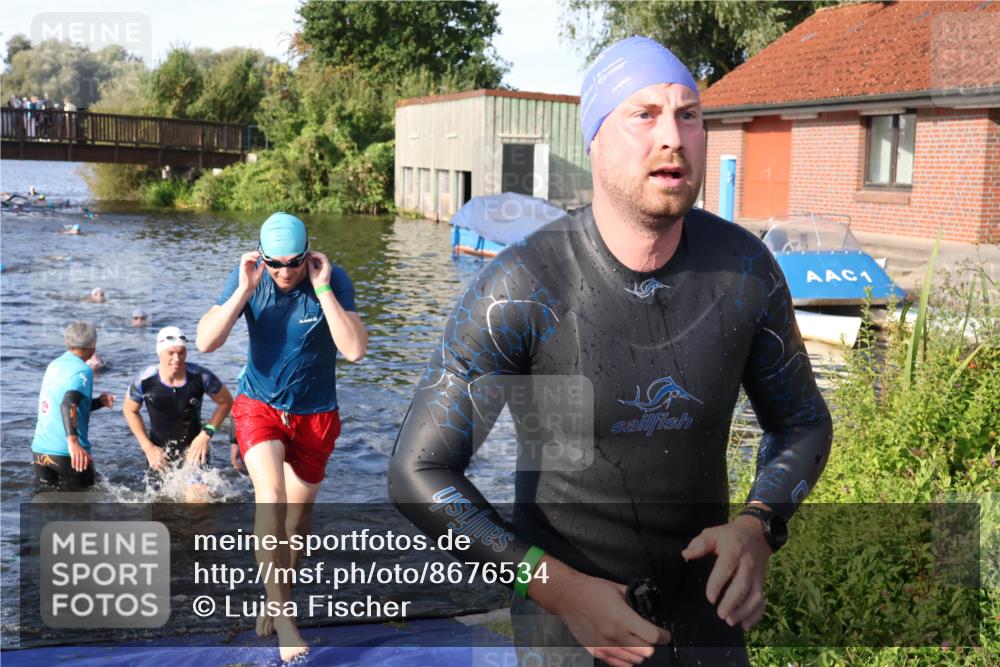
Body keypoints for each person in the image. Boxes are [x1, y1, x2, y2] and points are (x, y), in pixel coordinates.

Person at [388, 36, 833, 667]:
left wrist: (759, 525)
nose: (672, 137)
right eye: (643, 115)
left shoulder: (744, 270)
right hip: (571, 630)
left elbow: (802, 423)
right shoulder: (523, 286)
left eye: (688, 115)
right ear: (594, 142)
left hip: (707, 623)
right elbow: (419, 473)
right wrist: (559, 590)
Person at [196, 211, 367, 661]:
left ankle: (277, 597)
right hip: (259, 406)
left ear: (309, 254)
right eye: (275, 263)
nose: (285, 272)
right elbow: (206, 342)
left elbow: (354, 350)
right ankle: (285, 617)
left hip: (316, 415)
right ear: (261, 256)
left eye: (293, 262)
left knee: (297, 525)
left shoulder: (332, 279)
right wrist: (244, 290)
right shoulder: (250, 278)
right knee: (270, 498)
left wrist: (324, 289)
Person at [123, 327, 233, 501]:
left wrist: (205, 435)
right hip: (159, 453)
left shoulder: (201, 376)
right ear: (159, 352)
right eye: (171, 353)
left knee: (199, 499)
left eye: (181, 352)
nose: (177, 358)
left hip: (194, 450)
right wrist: (148, 447)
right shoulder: (144, 380)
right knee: (161, 503)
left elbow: (226, 402)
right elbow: (130, 410)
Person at [31, 321, 116, 492]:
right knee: (86, 502)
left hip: (40, 452)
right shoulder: (83, 370)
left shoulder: (53, 365)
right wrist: (73, 443)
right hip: (67, 454)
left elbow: (64, 406)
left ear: (67, 342)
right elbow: (68, 403)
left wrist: (98, 402)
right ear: (93, 346)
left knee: (48, 502)